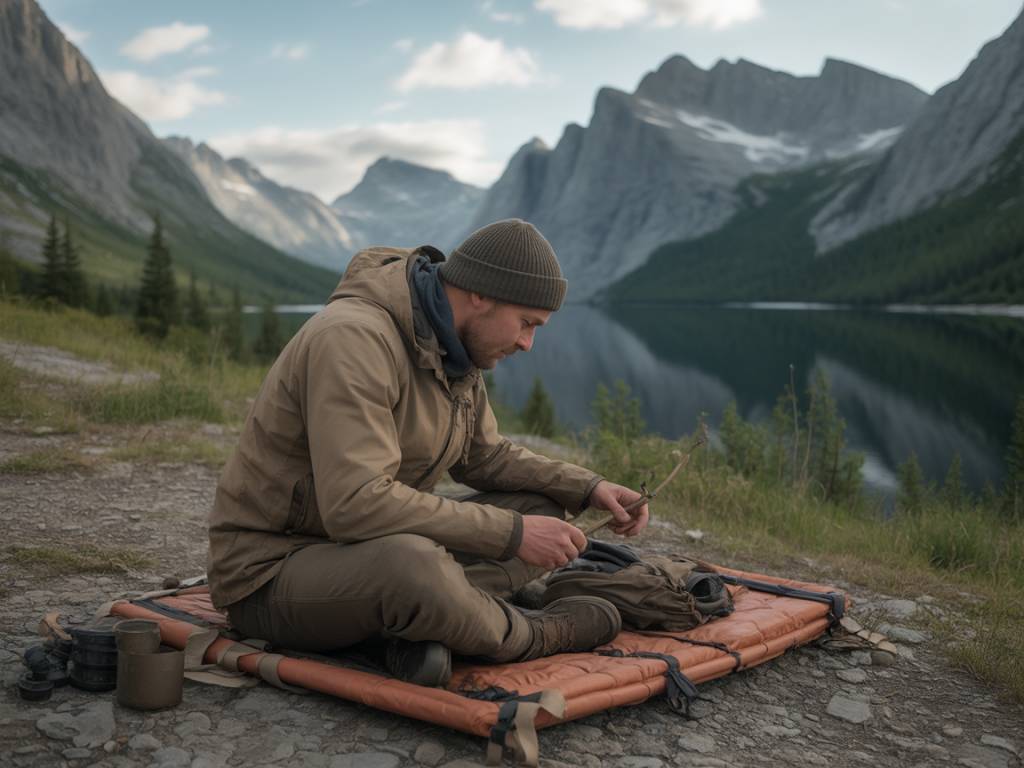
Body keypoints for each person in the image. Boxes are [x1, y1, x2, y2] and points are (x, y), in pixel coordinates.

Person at [207, 218, 650, 686]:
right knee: (414, 565)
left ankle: (425, 621)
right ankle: (528, 633)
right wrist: (513, 534)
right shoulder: (354, 339)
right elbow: (355, 504)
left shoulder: (451, 345)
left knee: (540, 508)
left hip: (365, 550)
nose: (527, 343)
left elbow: (485, 457)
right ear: (480, 294)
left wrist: (588, 487)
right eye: (525, 323)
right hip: (273, 573)